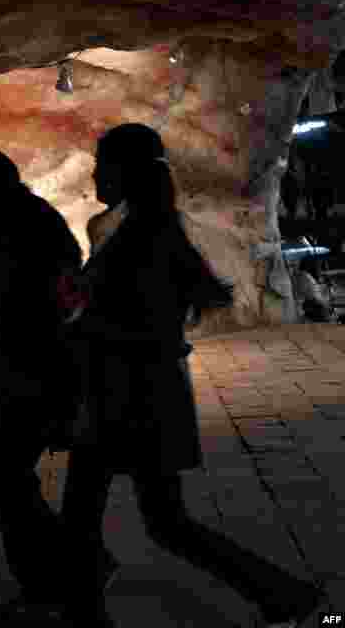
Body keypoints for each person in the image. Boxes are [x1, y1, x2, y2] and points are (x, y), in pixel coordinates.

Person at [59, 123, 328, 628]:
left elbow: (137, 320)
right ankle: (282, 595)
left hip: (130, 396)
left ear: (125, 172)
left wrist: (81, 316)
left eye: (102, 165)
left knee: (143, 521)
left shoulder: (143, 236)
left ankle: (285, 596)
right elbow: (203, 294)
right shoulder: (146, 227)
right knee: (150, 521)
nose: (95, 174)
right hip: (138, 392)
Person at [0, 148, 117, 621]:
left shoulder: (29, 233)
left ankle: (65, 576)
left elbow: (48, 314)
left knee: (1, 483)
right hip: (24, 383)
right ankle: (58, 578)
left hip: (33, 384)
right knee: (7, 483)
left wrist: (58, 393)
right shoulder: (25, 226)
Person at [295, 256, 335, 322]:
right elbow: (312, 295)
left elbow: (314, 292)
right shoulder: (305, 277)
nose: (319, 268)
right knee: (327, 312)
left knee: (327, 308)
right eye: (318, 265)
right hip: (312, 303)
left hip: (313, 302)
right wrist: (324, 303)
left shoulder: (305, 276)